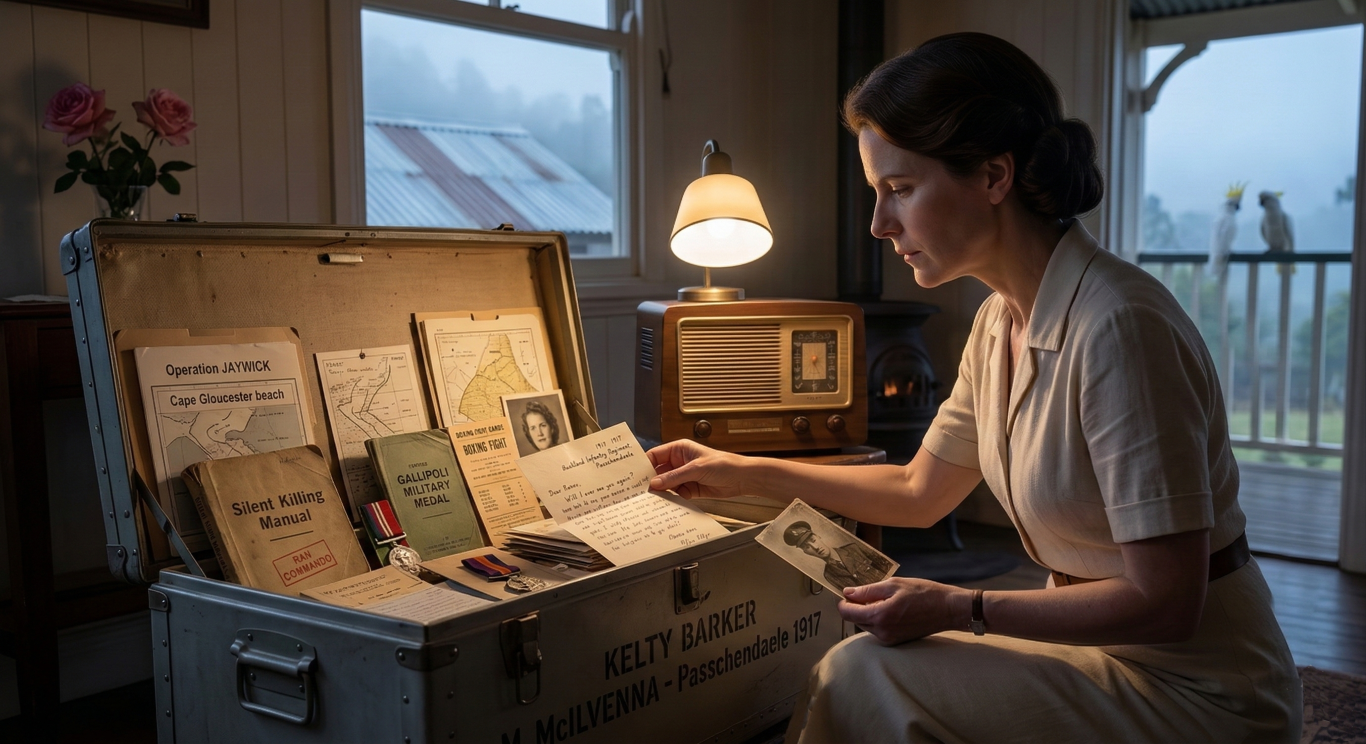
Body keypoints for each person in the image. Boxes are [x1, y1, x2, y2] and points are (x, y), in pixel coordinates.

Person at [647, 32, 1301, 744]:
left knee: (863, 674)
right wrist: (741, 472)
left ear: (994, 177)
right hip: (1098, 652)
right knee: (872, 665)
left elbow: (1167, 604)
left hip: (1197, 691)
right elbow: (918, 493)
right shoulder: (998, 320)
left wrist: (961, 607)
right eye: (876, 194)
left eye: (899, 190)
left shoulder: (1119, 326)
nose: (878, 223)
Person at [783, 520, 892, 591]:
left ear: (818, 536)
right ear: (805, 552)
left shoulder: (854, 548)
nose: (815, 547)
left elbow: (888, 568)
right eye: (807, 547)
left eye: (813, 540)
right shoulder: (829, 575)